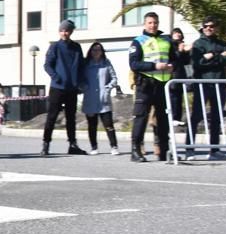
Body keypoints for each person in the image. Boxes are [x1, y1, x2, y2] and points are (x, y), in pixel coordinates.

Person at [129, 11, 176, 163]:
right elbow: (134, 64)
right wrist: (154, 66)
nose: (153, 25)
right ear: (145, 24)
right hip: (146, 84)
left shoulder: (166, 40)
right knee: (141, 118)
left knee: (163, 119)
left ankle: (164, 151)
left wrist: (172, 66)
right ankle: (135, 150)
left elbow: (175, 59)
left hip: (163, 85)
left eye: (155, 22)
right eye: (150, 23)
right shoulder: (138, 41)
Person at [185, 17, 226, 161]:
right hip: (202, 85)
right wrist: (217, 56)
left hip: (218, 85)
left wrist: (210, 56)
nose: (208, 28)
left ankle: (214, 150)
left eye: (211, 26)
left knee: (217, 118)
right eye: (205, 26)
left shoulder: (222, 43)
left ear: (216, 28)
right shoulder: (198, 44)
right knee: (196, 117)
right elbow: (197, 63)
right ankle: (189, 149)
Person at [41, 19, 87, 156]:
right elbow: (47, 65)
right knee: (52, 117)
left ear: (71, 31)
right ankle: (46, 144)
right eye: (62, 30)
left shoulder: (76, 47)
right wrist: (56, 77)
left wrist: (80, 83)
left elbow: (81, 66)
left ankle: (73, 145)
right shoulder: (55, 47)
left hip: (72, 88)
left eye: (66, 30)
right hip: (57, 87)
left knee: (71, 118)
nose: (64, 33)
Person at [81, 42, 120, 155]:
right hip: (90, 98)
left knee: (109, 124)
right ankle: (94, 147)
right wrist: (84, 87)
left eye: (98, 50)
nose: (96, 52)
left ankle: (114, 146)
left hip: (104, 99)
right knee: (92, 125)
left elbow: (114, 78)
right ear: (90, 51)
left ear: (102, 52)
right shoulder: (86, 64)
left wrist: (108, 88)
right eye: (94, 50)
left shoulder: (106, 63)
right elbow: (80, 79)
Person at [168, 27, 191, 125]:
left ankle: (178, 118)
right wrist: (180, 51)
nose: (178, 35)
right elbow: (172, 59)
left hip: (181, 75)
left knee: (179, 97)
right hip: (172, 75)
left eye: (179, 33)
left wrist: (186, 52)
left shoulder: (183, 45)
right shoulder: (170, 45)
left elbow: (187, 62)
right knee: (173, 97)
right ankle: (172, 118)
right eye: (175, 33)